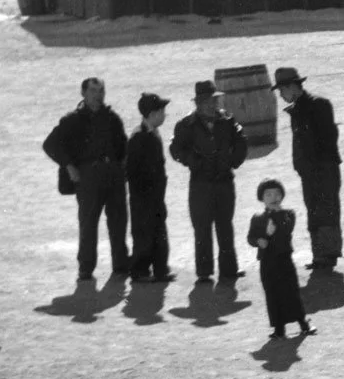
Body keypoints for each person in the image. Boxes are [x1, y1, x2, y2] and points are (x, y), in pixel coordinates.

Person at [44, 76, 130, 285]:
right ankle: (85, 268)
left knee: (118, 222)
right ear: (83, 93)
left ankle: (120, 265)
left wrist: (122, 171)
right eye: (93, 91)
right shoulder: (72, 120)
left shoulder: (112, 119)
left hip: (113, 176)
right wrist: (69, 165)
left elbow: (123, 146)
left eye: (101, 91)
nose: (98, 96)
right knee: (88, 224)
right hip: (88, 177)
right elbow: (50, 144)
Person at [169, 79, 247, 287]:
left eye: (214, 100)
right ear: (198, 104)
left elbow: (241, 142)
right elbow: (175, 150)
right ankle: (204, 272)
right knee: (202, 228)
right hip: (200, 184)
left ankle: (229, 269)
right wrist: (193, 161)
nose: (212, 105)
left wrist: (233, 161)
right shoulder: (186, 125)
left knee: (225, 226)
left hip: (224, 181)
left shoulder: (227, 121)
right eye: (207, 101)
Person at [274, 67, 342, 274]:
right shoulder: (298, 109)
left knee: (325, 209)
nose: (281, 95)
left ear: (292, 87)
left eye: (282, 90)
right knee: (314, 210)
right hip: (311, 171)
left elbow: (327, 138)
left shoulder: (318, 105)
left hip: (323, 168)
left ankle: (327, 255)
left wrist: (312, 164)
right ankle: (320, 255)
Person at [246, 179, 311, 340]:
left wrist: (276, 217)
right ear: (262, 198)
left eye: (277, 194)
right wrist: (259, 240)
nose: (273, 197)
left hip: (284, 259)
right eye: (268, 195)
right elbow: (251, 237)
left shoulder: (288, 214)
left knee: (291, 291)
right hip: (267, 261)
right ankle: (279, 328)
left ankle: (303, 323)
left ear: (282, 196)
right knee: (272, 293)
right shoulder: (257, 218)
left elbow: (286, 230)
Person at [126, 92, 173, 283]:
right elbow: (131, 171)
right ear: (152, 114)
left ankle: (161, 270)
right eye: (162, 111)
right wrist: (146, 193)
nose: (164, 115)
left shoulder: (153, 133)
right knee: (144, 235)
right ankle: (140, 272)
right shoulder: (139, 137)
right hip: (143, 198)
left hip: (155, 196)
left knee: (159, 232)